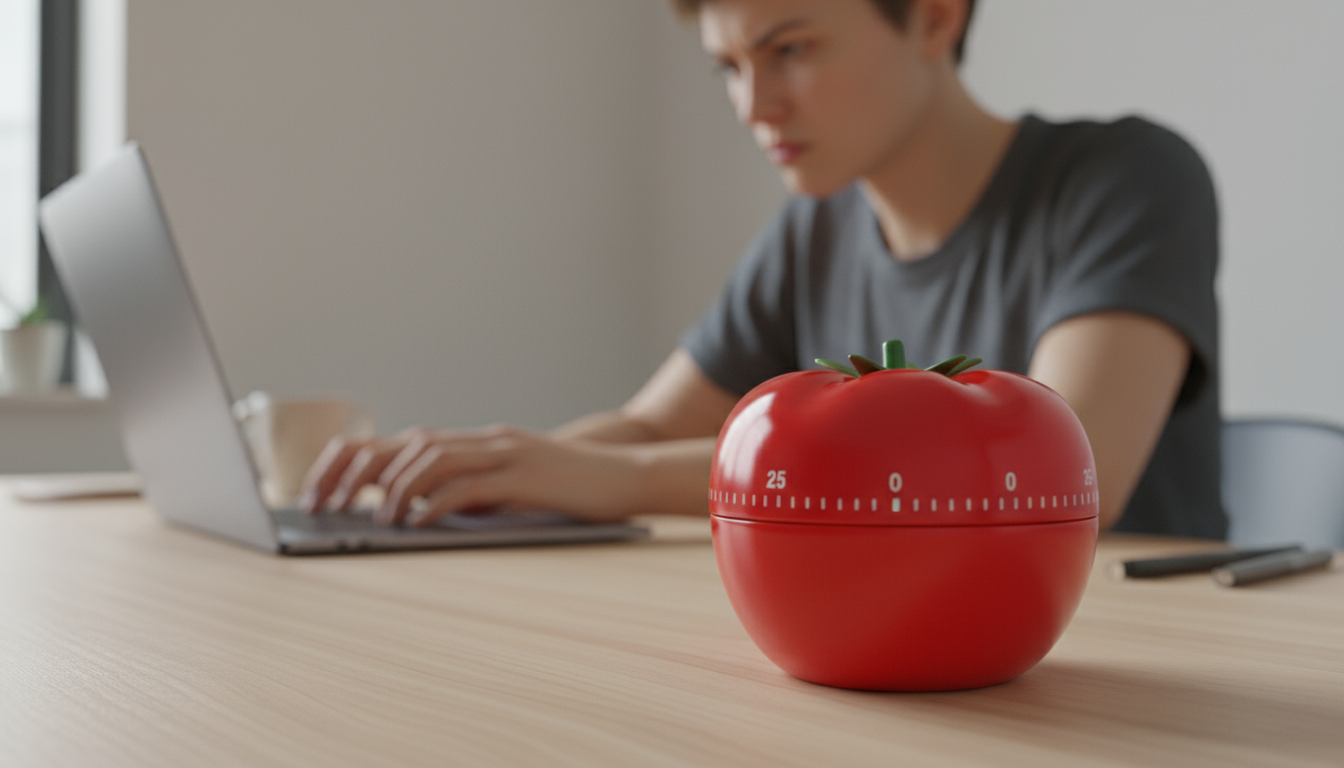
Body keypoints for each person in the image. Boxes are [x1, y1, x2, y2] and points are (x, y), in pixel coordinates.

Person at [301, 0, 1224, 539]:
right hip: (894, 651)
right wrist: (485, 472)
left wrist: (613, 482)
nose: (755, 105)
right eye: (728, 68)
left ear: (937, 15)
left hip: (1117, 665)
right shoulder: (812, 232)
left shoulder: (1127, 179)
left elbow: (1057, 478)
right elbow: (649, 426)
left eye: (789, 49)